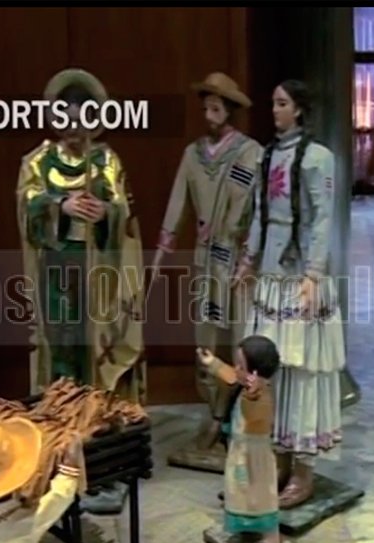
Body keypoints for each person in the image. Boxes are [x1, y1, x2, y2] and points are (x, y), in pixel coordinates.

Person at [16, 68, 144, 513]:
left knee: (96, 358)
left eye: (81, 120)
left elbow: (125, 211)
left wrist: (106, 212)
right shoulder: (37, 162)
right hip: (57, 273)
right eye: (65, 119)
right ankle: (59, 450)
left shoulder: (106, 161)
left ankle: (99, 453)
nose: (73, 128)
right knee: (64, 355)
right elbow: (26, 206)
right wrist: (60, 204)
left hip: (99, 274)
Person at [233, 80, 345, 509]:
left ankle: (303, 469)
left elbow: (323, 218)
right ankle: (277, 458)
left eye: (282, 103)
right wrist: (248, 260)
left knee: (302, 370)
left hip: (300, 276)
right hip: (272, 274)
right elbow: (260, 214)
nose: (274, 110)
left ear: (298, 109)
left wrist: (313, 275)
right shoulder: (267, 156)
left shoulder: (319, 158)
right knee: (271, 368)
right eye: (273, 102)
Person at [153, 72, 263, 459]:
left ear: (229, 110)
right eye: (206, 108)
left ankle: (239, 419)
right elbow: (177, 202)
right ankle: (213, 414)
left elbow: (249, 206)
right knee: (206, 338)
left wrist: (247, 254)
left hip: (237, 261)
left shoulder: (249, 153)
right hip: (205, 261)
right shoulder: (193, 154)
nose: (209, 115)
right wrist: (163, 250)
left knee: (240, 338)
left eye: (216, 108)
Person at [197, 336, 281, 543]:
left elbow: (254, 418)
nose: (236, 369)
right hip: (240, 454)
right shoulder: (245, 383)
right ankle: (247, 527)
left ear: (255, 373)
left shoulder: (262, 396)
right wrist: (212, 362)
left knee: (260, 495)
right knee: (241, 494)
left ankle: (271, 538)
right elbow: (230, 375)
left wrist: (252, 398)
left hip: (255, 459)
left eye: (241, 366)